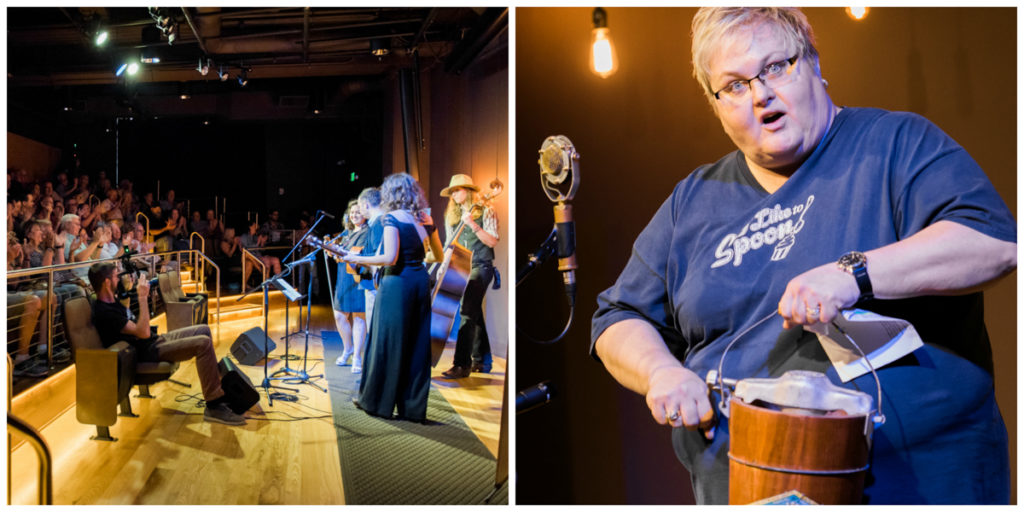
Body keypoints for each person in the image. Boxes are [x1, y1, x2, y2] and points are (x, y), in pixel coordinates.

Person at [590, 7, 1016, 505]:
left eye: (776, 67)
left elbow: (992, 242)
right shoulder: (692, 201)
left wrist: (854, 274)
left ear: (814, 61)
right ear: (716, 105)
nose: (760, 94)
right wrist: (660, 372)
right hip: (745, 490)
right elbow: (617, 317)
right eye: (733, 86)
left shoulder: (895, 144)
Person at [87, 262, 245, 425]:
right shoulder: (104, 311)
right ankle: (214, 405)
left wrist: (129, 290)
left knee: (203, 330)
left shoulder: (111, 302)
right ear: (106, 282)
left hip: (153, 341)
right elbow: (143, 332)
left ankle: (217, 388)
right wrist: (142, 297)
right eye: (116, 276)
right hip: (145, 351)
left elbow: (129, 320)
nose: (120, 279)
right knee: (203, 343)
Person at [340, 174, 442, 422]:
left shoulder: (391, 218)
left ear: (390, 194)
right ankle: (412, 408)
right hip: (419, 284)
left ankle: (376, 403)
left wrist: (356, 258)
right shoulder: (425, 219)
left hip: (396, 284)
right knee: (416, 344)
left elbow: (389, 258)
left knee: (386, 342)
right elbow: (437, 255)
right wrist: (415, 260)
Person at [438, 174, 500, 379]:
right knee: (473, 312)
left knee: (466, 311)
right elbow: (450, 243)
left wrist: (473, 224)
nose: (454, 194)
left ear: (469, 190)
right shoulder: (452, 216)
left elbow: (492, 241)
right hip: (460, 267)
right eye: (452, 191)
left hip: (481, 266)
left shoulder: (487, 210)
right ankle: (483, 360)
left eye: (457, 190)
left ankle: (461, 365)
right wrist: (443, 266)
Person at [331, 200, 369, 372]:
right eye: (352, 212)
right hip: (343, 277)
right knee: (339, 316)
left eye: (358, 212)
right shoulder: (347, 232)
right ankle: (348, 348)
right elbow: (342, 254)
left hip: (359, 278)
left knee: (359, 318)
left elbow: (365, 254)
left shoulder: (369, 232)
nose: (354, 215)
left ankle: (357, 357)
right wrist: (333, 251)